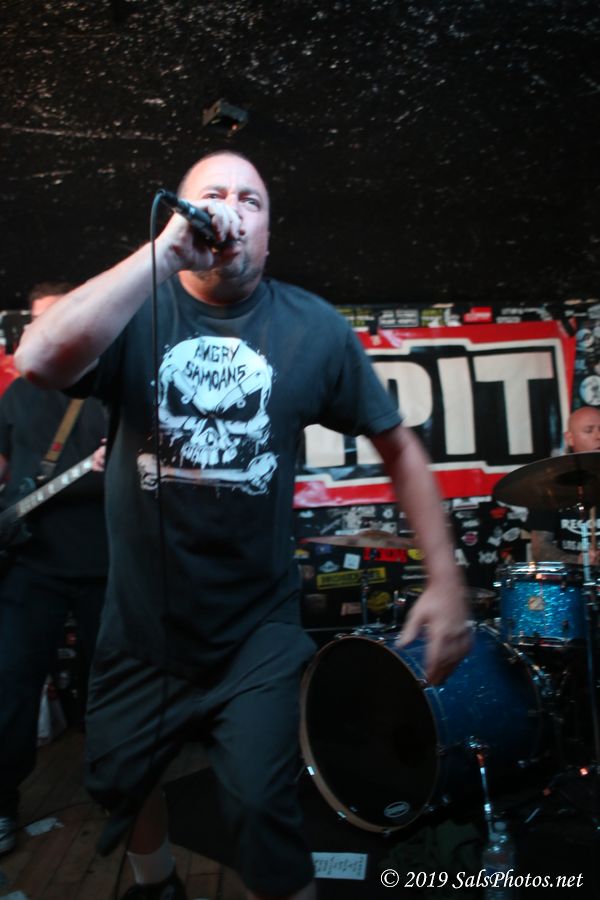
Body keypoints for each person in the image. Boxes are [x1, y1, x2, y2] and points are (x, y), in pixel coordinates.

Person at [15, 152, 471, 900]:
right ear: (181, 215)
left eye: (250, 200)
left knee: (263, 809)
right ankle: (156, 883)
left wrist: (447, 579)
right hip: (140, 628)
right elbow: (36, 359)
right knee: (122, 783)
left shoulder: (312, 329)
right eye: (213, 195)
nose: (231, 208)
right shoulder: (133, 309)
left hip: (255, 630)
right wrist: (164, 255)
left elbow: (398, 444)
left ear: (268, 232)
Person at [0, 284, 108, 856]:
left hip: (104, 566)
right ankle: (1, 802)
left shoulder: (110, 391)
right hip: (29, 566)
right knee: (9, 685)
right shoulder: (16, 395)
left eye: (59, 319)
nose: (45, 332)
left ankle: (119, 794)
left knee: (110, 688)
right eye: (36, 323)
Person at [529, 405, 600, 564]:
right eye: (589, 430)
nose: (598, 436)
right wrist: (576, 562)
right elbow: (540, 548)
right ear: (570, 438)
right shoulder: (550, 485)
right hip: (570, 576)